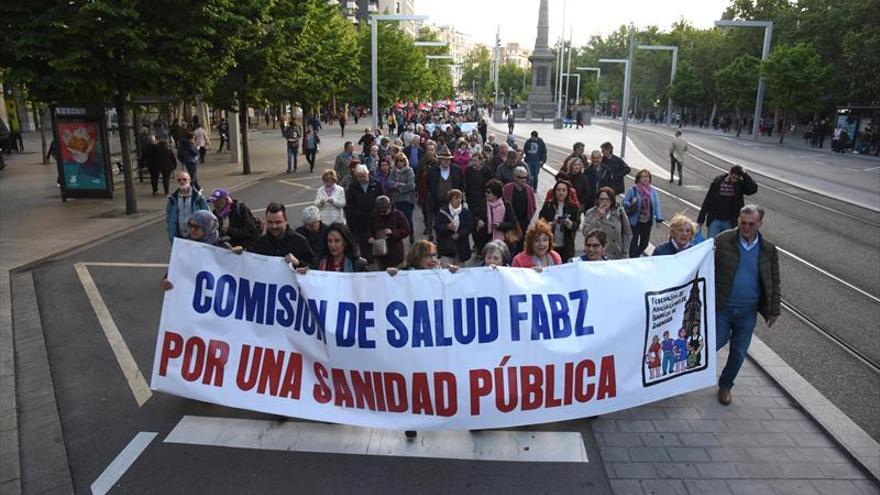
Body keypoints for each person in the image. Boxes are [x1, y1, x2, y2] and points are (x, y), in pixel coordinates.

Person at [714, 205, 781, 406]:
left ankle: (725, 385)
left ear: (759, 224)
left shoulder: (768, 249)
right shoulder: (723, 240)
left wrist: (773, 310)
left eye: (751, 224)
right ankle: (689, 377)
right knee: (713, 344)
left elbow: (774, 280)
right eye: (742, 223)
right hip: (722, 307)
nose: (746, 227)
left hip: (748, 310)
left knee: (739, 351)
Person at [697, 165, 758, 238]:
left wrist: (745, 175)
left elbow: (753, 189)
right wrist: (701, 220)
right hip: (715, 220)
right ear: (730, 173)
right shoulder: (717, 183)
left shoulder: (739, 185)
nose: (735, 180)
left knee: (728, 246)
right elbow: (707, 201)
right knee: (712, 243)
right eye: (734, 177)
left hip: (731, 221)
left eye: (737, 178)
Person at [250, 202, 315, 268]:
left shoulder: (300, 242)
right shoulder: (260, 243)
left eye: (278, 222)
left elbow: (314, 268)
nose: (274, 226)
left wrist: (298, 263)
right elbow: (249, 262)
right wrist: (240, 254)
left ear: (286, 221)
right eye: (270, 222)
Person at [345, 164, 384, 263]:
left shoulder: (376, 184)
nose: (362, 178)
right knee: (362, 241)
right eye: (360, 177)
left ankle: (378, 257)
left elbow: (382, 200)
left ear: (368, 174)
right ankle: (366, 260)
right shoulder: (353, 186)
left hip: (375, 218)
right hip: (360, 220)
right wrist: (351, 221)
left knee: (375, 239)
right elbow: (349, 205)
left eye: (364, 176)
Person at [582, 186, 632, 260]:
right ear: (597, 200)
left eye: (607, 199)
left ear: (612, 200)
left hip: (618, 255)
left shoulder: (619, 211)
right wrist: (597, 215)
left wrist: (625, 251)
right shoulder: (591, 213)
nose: (604, 202)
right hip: (599, 256)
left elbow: (627, 232)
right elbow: (585, 232)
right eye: (602, 199)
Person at [622, 169, 664, 258]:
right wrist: (631, 203)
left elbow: (657, 205)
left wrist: (658, 219)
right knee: (633, 243)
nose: (645, 179)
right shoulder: (633, 190)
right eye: (643, 177)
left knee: (644, 243)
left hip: (647, 221)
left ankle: (634, 256)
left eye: (647, 176)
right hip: (634, 221)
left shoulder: (653, 191)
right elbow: (624, 202)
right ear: (638, 179)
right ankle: (633, 259)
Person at [296, 223, 369, 273]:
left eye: (337, 241)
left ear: (345, 242)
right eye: (329, 241)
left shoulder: (357, 265)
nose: (332, 245)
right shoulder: (320, 263)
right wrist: (308, 273)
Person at [426, 148, 465, 240]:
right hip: (437, 203)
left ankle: (451, 245)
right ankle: (440, 245)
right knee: (440, 225)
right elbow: (429, 186)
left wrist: (460, 201)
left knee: (453, 224)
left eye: (448, 159)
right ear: (440, 160)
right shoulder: (432, 171)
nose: (446, 161)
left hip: (453, 203)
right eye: (444, 159)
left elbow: (461, 186)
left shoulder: (457, 170)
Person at [539, 180, 580, 262]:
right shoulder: (548, 205)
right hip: (550, 245)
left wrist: (569, 224)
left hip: (566, 245)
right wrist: (551, 224)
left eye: (564, 190)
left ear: (568, 192)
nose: (561, 193)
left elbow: (577, 224)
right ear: (555, 191)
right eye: (558, 190)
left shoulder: (573, 207)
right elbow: (540, 222)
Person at [473, 179, 518, 253]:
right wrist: (478, 221)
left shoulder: (506, 205)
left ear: (495, 194)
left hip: (502, 240)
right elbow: (476, 216)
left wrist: (499, 225)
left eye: (488, 192)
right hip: (485, 239)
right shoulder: (483, 203)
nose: (486, 194)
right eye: (485, 192)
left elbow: (512, 223)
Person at [368, 196, 411, 269]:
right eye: (380, 212)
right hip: (380, 251)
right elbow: (369, 229)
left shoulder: (398, 215)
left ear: (390, 207)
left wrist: (392, 232)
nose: (382, 214)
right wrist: (370, 237)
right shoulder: (374, 216)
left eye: (384, 212)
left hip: (395, 252)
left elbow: (407, 230)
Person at [165, 171, 209, 243]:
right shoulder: (172, 199)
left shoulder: (198, 198)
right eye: (179, 180)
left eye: (184, 179)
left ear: (190, 180)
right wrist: (170, 228)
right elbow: (168, 216)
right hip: (179, 237)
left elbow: (207, 216)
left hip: (195, 237)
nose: (182, 181)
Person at [502, 166, 536, 254]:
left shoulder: (529, 190)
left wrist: (528, 219)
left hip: (523, 222)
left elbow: (533, 206)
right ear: (514, 177)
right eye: (520, 177)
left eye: (525, 177)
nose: (523, 180)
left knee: (520, 244)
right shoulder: (507, 188)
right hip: (511, 222)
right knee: (509, 243)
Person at [435, 189, 473, 266]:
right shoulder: (443, 212)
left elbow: (469, 227)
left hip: (461, 248)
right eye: (456, 198)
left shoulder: (466, 212)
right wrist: (447, 227)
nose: (459, 200)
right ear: (450, 200)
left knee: (460, 272)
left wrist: (459, 234)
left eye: (460, 198)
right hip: (446, 247)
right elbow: (437, 227)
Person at [388, 152, 416, 243]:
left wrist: (399, 187)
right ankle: (398, 236)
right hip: (396, 200)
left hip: (407, 199)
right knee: (397, 219)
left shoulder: (409, 171)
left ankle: (411, 234)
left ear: (405, 162)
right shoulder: (393, 171)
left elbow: (411, 185)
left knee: (408, 219)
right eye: (398, 161)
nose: (400, 163)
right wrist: (397, 184)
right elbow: (389, 183)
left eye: (402, 161)